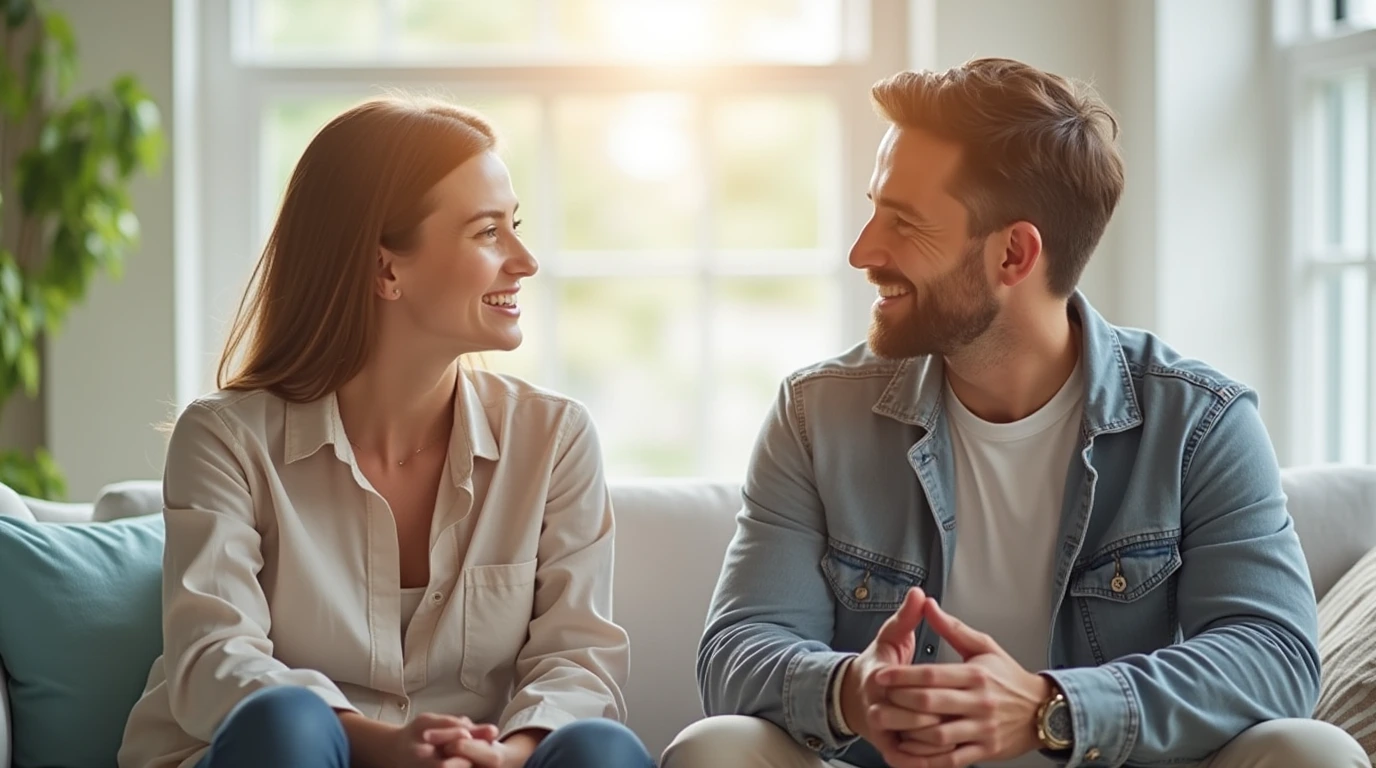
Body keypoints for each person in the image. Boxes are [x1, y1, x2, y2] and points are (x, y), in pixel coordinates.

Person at [662, 58, 1369, 768]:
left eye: (903, 222)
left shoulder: (1199, 423)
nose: (863, 250)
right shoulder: (817, 415)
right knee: (716, 749)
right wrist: (852, 689)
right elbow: (738, 649)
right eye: (875, 207)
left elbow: (1273, 657)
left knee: (1315, 753)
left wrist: (1049, 709)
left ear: (1014, 254)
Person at [117, 96, 654, 768]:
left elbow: (578, 662)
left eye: (514, 226)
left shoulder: (553, 439)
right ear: (385, 269)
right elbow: (213, 660)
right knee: (285, 724)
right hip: (284, 756)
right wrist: (385, 747)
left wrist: (504, 757)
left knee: (600, 750)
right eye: (488, 233)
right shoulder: (225, 439)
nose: (524, 260)